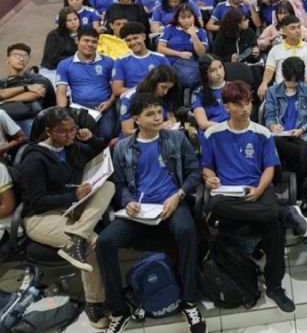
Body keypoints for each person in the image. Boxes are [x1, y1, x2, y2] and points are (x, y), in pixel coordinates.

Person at [97, 93, 205, 333]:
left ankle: (189, 300)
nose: (158, 118)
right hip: (140, 210)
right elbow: (121, 184)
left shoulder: (176, 138)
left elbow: (194, 173)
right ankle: (118, 309)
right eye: (150, 114)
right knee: (104, 242)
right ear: (136, 119)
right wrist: (128, 201)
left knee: (187, 230)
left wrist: (178, 196)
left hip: (172, 203)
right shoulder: (123, 147)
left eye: (159, 112)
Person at [201, 81, 307, 313]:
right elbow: (207, 167)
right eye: (239, 105)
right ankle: (285, 211)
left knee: (274, 223)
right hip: (229, 196)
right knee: (215, 203)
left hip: (257, 191)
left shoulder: (262, 133)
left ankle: (275, 286)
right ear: (227, 107)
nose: (245, 109)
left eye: (248, 103)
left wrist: (260, 190)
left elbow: (270, 168)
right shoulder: (212, 133)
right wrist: (210, 177)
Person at [17, 107, 114, 329]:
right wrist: (74, 195)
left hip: (70, 208)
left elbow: (99, 148)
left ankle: (77, 237)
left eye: (73, 130)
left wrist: (92, 138)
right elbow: (37, 201)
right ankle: (94, 303)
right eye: (64, 132)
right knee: (93, 242)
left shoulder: (70, 146)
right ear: (49, 131)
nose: (70, 135)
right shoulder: (34, 159)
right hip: (41, 217)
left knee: (107, 186)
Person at [263, 57, 307, 177]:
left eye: (295, 82)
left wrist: (303, 129)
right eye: (289, 81)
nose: (291, 85)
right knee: (278, 143)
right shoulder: (272, 91)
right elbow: (269, 115)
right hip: (281, 136)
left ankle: (298, 181)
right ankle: (302, 182)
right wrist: (272, 126)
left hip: (302, 135)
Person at [55, 28, 117, 139]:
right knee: (78, 136)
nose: (90, 44)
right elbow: (61, 92)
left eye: (94, 41)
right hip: (78, 109)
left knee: (107, 134)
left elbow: (115, 89)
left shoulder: (108, 62)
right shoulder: (64, 64)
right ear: (77, 40)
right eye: (86, 40)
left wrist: (109, 102)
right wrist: (63, 114)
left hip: (104, 107)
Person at [257, 15, 307, 98]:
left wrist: (299, 83)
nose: (298, 31)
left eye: (299, 27)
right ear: (283, 31)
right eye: (293, 28)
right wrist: (264, 83)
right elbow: (269, 71)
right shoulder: (275, 50)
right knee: (263, 109)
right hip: (281, 90)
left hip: (304, 88)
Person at [118, 65, 180, 137]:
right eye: (163, 87)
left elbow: (171, 117)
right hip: (135, 139)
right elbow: (127, 132)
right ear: (153, 83)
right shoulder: (130, 98)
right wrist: (157, 128)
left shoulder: (167, 95)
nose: (165, 92)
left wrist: (172, 124)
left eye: (169, 88)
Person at [111, 22, 170, 96]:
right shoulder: (120, 61)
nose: (133, 42)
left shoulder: (161, 58)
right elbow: (117, 90)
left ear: (144, 36)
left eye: (135, 38)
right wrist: (142, 94)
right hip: (131, 99)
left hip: (156, 98)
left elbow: (168, 83)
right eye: (128, 40)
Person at [157, 4, 208, 88]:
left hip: (192, 62)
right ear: (178, 19)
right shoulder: (170, 28)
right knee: (187, 77)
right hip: (173, 60)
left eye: (189, 17)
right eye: (183, 18)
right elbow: (160, 49)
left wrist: (194, 35)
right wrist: (180, 54)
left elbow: (202, 54)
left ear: (194, 17)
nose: (187, 20)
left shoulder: (201, 32)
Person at [40, 9, 79, 86]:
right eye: (69, 20)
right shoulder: (53, 35)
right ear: (63, 22)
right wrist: (76, 60)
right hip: (52, 69)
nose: (73, 22)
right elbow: (52, 58)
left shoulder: (84, 33)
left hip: (76, 69)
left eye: (75, 19)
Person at [191, 55, 228, 134]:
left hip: (234, 128)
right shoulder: (198, 93)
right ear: (205, 74)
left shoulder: (234, 87)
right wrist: (225, 128)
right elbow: (203, 123)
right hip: (212, 131)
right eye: (212, 70)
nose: (219, 72)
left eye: (220, 67)